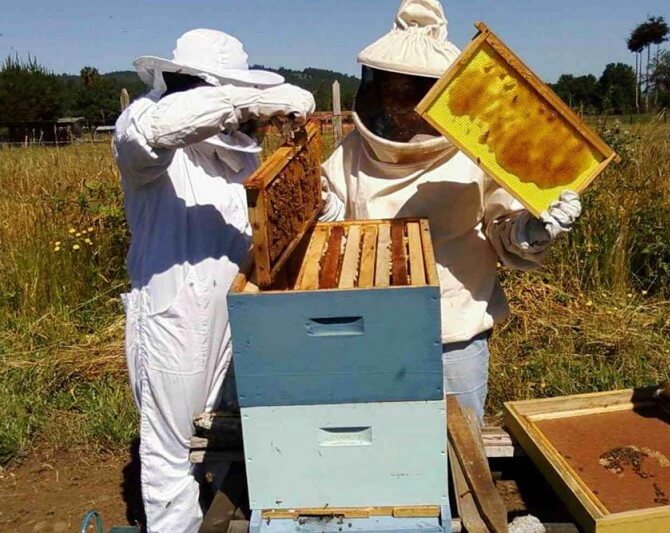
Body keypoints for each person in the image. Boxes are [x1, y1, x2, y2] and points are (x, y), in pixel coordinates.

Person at [320, 0, 581, 422]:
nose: (403, 99)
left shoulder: (478, 152)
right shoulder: (353, 150)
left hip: (454, 330)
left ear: (441, 92)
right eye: (393, 85)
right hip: (374, 328)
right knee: (386, 442)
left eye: (415, 88)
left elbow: (503, 224)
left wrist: (532, 228)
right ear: (377, 86)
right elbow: (332, 218)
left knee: (460, 448)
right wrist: (320, 203)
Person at [113, 29, 315, 532]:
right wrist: (245, 100)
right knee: (171, 454)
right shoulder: (141, 128)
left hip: (240, 316)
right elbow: (157, 132)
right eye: (234, 100)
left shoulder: (243, 157)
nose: (249, 120)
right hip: (174, 322)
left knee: (229, 440)